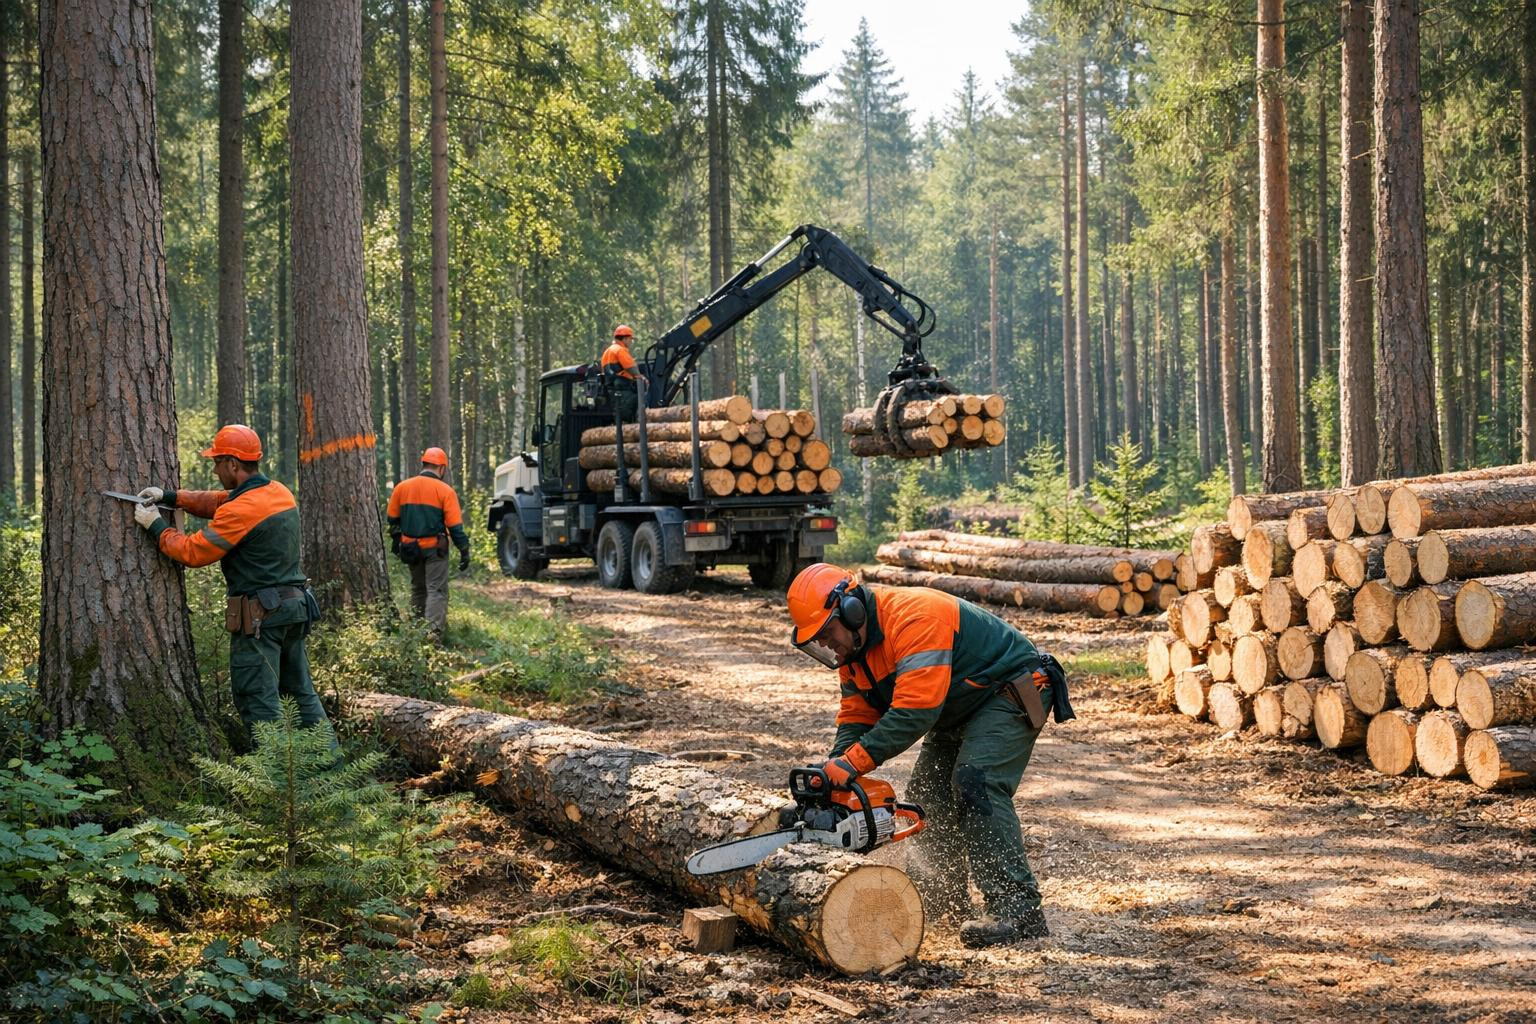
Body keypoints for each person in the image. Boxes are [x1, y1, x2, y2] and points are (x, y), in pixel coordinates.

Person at [786, 562, 1073, 948]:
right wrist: (837, 767)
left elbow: (914, 713)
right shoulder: (854, 652)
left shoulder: (914, 618)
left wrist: (853, 764)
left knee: (976, 781)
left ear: (851, 610)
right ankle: (943, 902)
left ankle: (1018, 910)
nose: (826, 645)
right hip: (955, 706)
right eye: (817, 640)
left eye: (828, 633)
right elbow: (858, 713)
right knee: (927, 796)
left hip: (1009, 690)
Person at [133, 424, 328, 740]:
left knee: (259, 702)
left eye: (217, 462)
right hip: (294, 608)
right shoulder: (278, 492)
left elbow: (193, 552)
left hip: (262, 616)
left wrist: (156, 527)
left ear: (233, 464)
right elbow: (219, 501)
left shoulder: (242, 509)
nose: (214, 469)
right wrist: (172, 497)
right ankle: (330, 770)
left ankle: (274, 782)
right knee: (301, 696)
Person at [386, 446, 471, 637]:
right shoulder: (445, 491)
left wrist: (397, 541)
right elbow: (455, 527)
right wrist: (464, 550)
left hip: (410, 548)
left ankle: (416, 632)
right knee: (436, 590)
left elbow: (392, 519)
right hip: (435, 549)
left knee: (418, 589)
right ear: (442, 468)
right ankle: (433, 635)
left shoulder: (402, 487)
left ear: (424, 463)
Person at [600, 323, 641, 422]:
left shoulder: (607, 352)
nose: (631, 341)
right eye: (630, 339)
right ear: (625, 338)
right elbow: (631, 367)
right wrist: (641, 377)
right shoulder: (620, 350)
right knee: (643, 400)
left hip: (613, 390)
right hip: (624, 389)